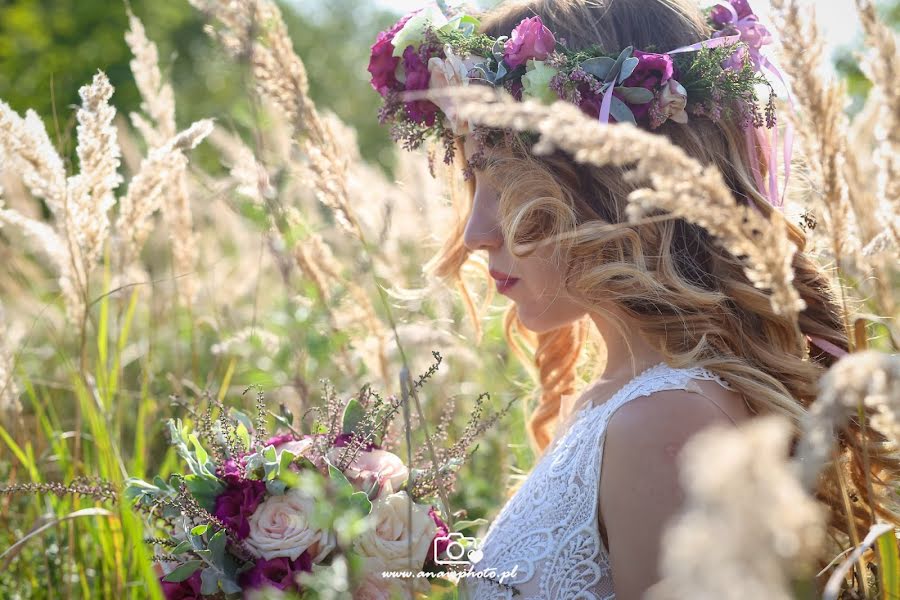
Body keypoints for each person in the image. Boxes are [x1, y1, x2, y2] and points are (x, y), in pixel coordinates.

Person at [368, 0, 897, 598]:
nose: (475, 234)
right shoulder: (612, 401)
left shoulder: (664, 423)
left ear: (614, 183)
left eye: (508, 178)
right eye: (472, 179)